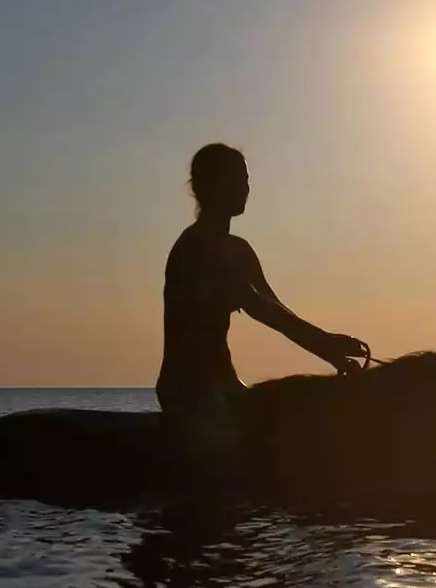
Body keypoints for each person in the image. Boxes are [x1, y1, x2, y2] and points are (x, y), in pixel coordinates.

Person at [156, 143, 369, 469]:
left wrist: (330, 352)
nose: (246, 188)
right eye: (237, 179)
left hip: (226, 386)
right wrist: (325, 342)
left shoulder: (239, 250)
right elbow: (260, 309)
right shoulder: (195, 248)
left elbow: (277, 307)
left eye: (246, 179)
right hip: (190, 393)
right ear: (207, 186)